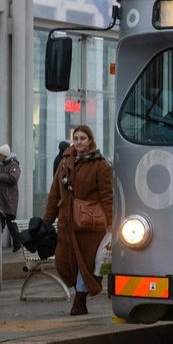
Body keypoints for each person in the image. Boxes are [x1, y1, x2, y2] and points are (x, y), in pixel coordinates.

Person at [43, 125, 114, 316]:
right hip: (67, 223)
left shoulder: (101, 165)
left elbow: (107, 196)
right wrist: (47, 220)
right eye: (76, 138)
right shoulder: (65, 162)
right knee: (64, 261)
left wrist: (111, 224)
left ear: (90, 140)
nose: (79, 142)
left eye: (83, 138)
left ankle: (79, 301)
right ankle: (79, 293)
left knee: (85, 263)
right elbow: (54, 193)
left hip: (89, 225)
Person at [0, 144, 22, 252]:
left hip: (9, 199)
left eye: (0, 155)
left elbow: (13, 178)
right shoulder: (1, 165)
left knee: (10, 222)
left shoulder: (14, 165)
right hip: (0, 199)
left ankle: (17, 243)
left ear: (5, 155)